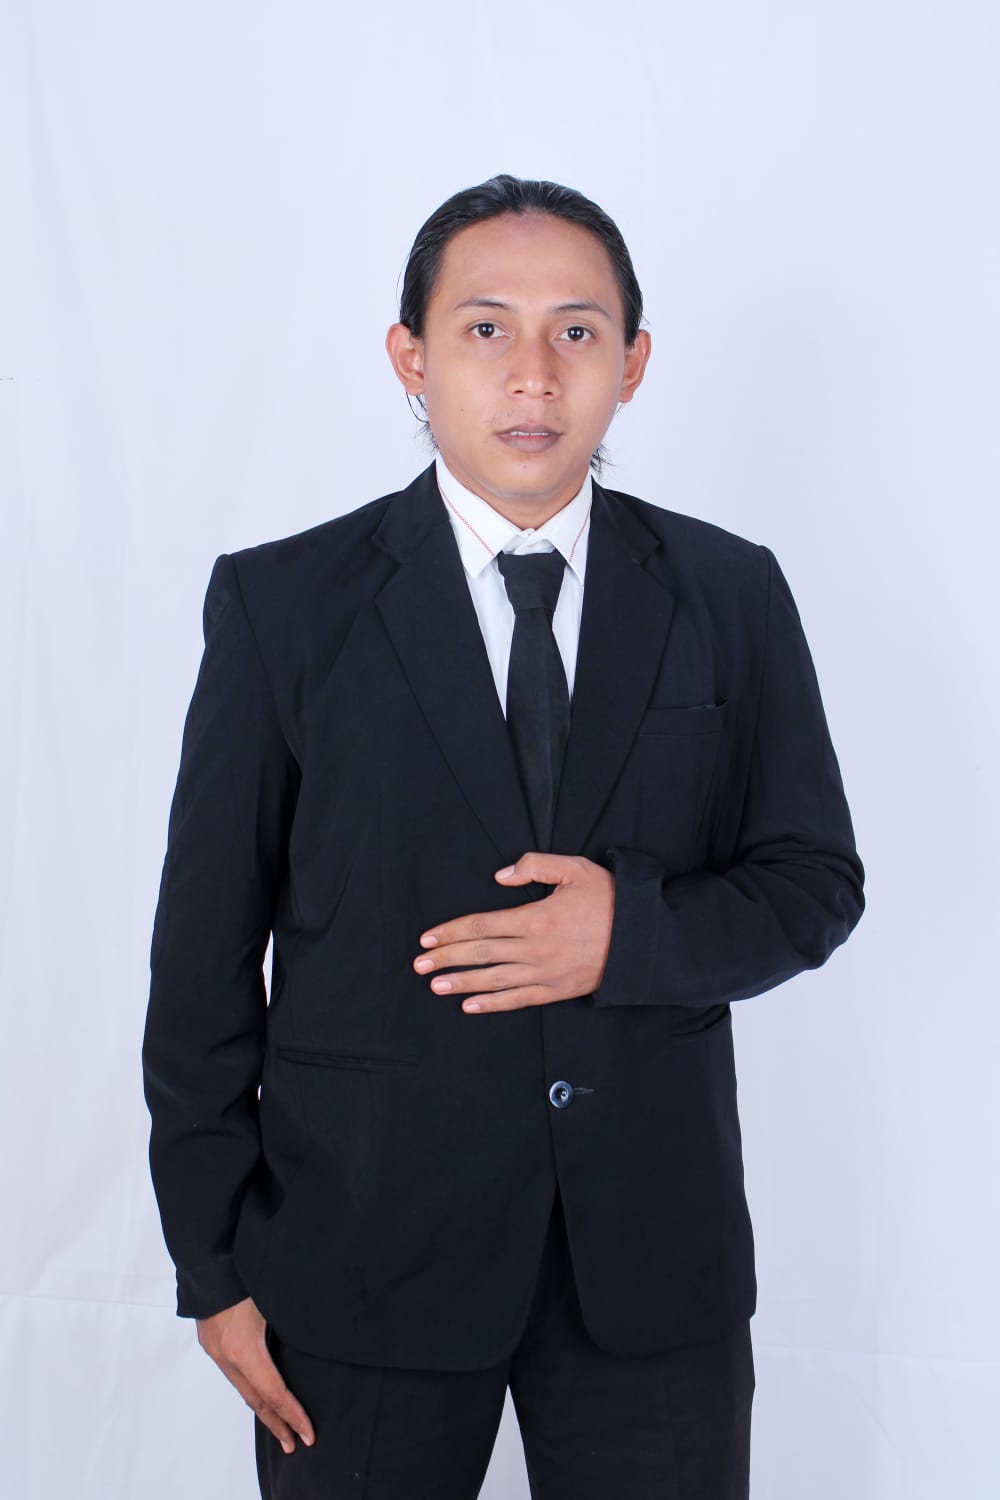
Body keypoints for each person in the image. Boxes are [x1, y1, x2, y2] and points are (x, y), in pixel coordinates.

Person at [143, 174, 864, 1500]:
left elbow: (815, 882)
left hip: (652, 1268)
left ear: (631, 364)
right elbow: (202, 963)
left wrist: (630, 933)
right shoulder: (283, 606)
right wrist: (213, 1265)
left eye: (577, 332)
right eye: (486, 329)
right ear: (410, 357)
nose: (535, 373)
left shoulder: (730, 591)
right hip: (358, 1262)